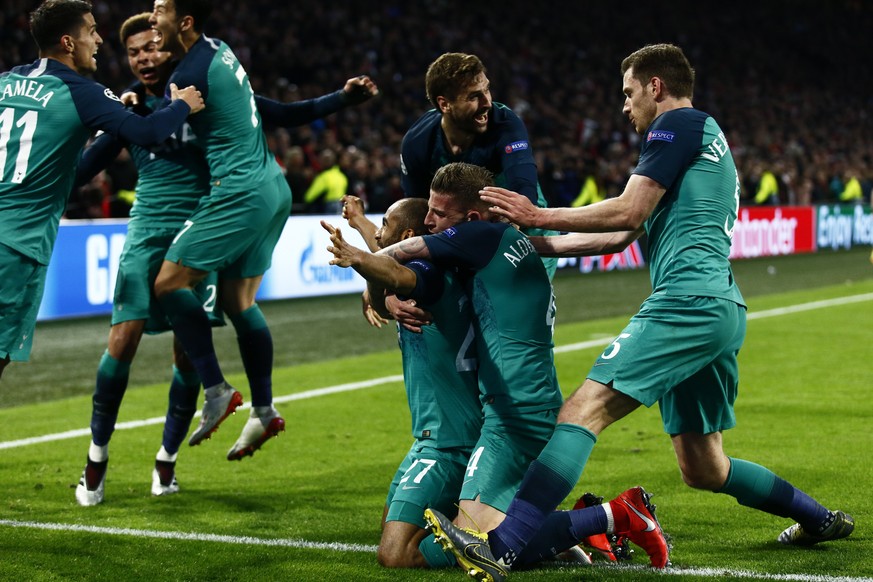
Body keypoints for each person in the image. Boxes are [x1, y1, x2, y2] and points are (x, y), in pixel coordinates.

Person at [427, 44, 854, 581]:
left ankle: (503, 546)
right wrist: (525, 242)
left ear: (656, 86)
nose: (624, 108)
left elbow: (628, 208)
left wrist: (538, 213)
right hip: (719, 307)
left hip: (687, 302)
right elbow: (621, 233)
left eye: (628, 94)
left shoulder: (678, 125)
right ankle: (819, 520)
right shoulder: (699, 140)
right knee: (705, 466)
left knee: (582, 411)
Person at [72, 7, 379, 505]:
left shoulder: (201, 87)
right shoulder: (132, 109)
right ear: (126, 59)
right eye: (134, 52)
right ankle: (96, 459)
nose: (145, 57)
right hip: (149, 230)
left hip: (204, 220)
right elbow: (90, 165)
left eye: (153, 45)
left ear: (170, 43)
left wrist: (340, 99)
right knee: (122, 341)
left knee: (187, 355)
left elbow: (274, 112)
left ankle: (166, 462)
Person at [325, 163, 659, 573]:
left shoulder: (473, 243)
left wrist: (364, 263)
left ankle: (607, 518)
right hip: (517, 406)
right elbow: (595, 243)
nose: (432, 223)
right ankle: (559, 538)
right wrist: (643, 217)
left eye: (441, 216)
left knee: (473, 544)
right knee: (461, 535)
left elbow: (403, 254)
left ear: (470, 221)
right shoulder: (509, 244)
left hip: (508, 415)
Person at [146, 0, 374, 467]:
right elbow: (275, 111)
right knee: (237, 301)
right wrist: (341, 99)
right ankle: (264, 410)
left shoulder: (188, 75)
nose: (152, 20)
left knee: (169, 283)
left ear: (185, 21)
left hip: (239, 191)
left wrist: (124, 112)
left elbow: (152, 136)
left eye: (159, 11)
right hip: (273, 187)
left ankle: (214, 388)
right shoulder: (221, 53)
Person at [0, 0, 202, 381]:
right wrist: (181, 106)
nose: (97, 39)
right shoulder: (82, 91)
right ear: (68, 42)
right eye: (90, 31)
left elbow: (72, 171)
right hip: (15, 245)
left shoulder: (6, 82)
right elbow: (147, 133)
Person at [341, 196, 482, 568]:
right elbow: (384, 256)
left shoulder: (428, 277)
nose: (378, 231)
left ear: (406, 235)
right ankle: (503, 521)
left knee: (398, 554)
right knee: (390, 528)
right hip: (429, 439)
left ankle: (543, 533)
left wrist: (362, 264)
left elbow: (389, 267)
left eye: (383, 224)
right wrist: (358, 222)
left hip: (450, 444)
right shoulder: (423, 273)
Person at [399, 52, 557, 279]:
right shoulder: (418, 142)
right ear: (445, 104)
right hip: (462, 234)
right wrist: (387, 276)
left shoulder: (504, 124)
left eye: (487, 90)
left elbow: (524, 187)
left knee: (517, 310)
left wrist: (511, 225)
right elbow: (415, 210)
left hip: (524, 229)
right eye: (474, 96)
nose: (487, 102)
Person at [304, 148, 348, 214]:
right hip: (341, 207)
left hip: (330, 207)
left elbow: (309, 197)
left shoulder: (324, 177)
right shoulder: (342, 176)